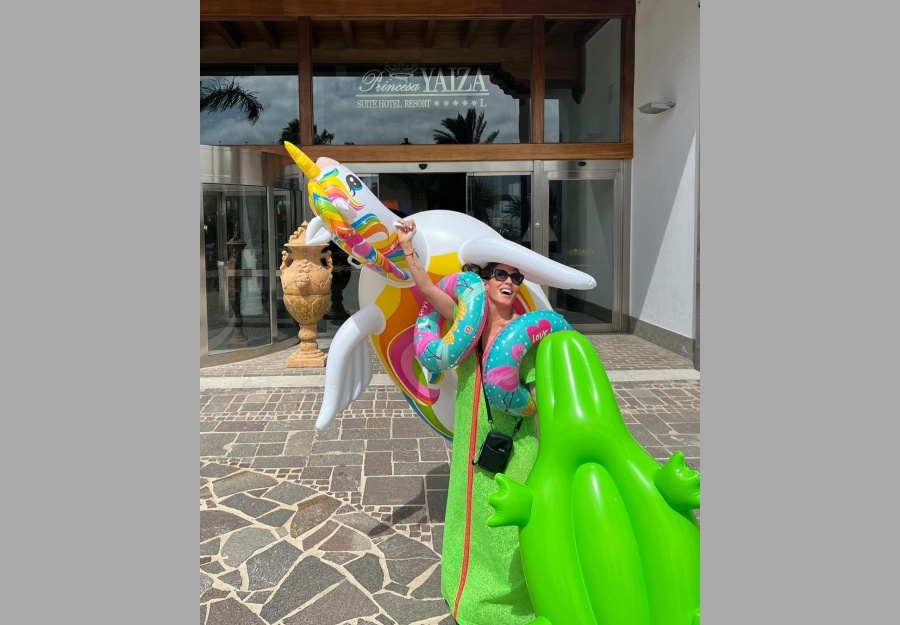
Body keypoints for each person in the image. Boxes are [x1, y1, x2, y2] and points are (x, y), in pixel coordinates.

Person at [396, 217, 538, 625]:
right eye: (500, 275)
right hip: (473, 435)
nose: (509, 282)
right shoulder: (466, 320)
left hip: (516, 439)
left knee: (508, 518)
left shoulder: (528, 332)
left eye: (516, 277)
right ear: (484, 280)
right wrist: (407, 246)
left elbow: (539, 390)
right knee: (470, 512)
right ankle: (468, 590)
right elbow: (426, 289)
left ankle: (510, 597)